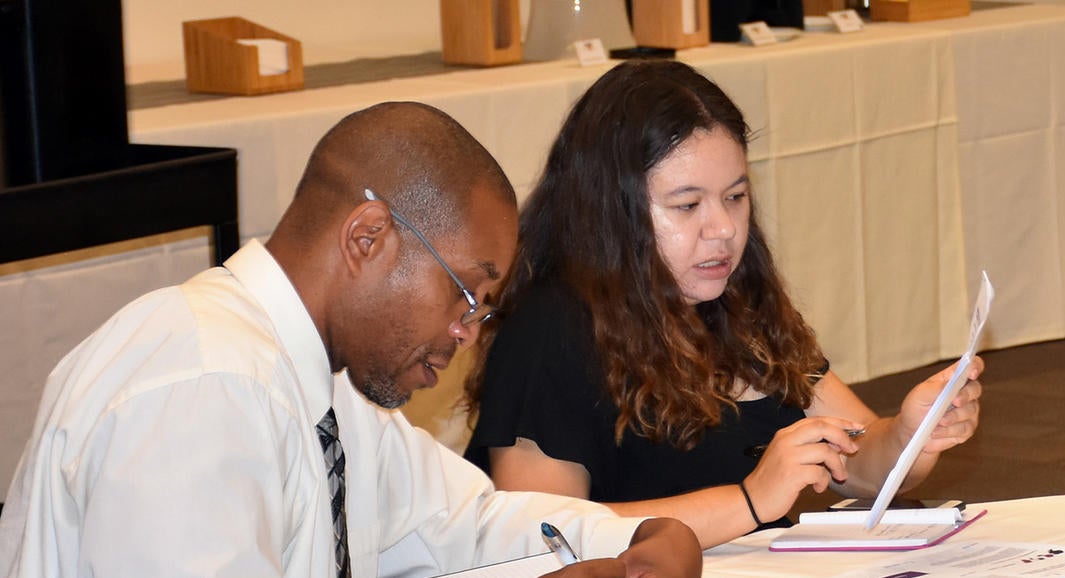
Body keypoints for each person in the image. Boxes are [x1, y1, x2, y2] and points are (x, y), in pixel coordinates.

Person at [0, 102, 702, 577]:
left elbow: (463, 521)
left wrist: (639, 542)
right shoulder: (203, 383)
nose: (464, 333)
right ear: (368, 238)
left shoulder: (329, 381)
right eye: (467, 293)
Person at [461, 59, 983, 548]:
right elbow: (544, 535)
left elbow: (862, 467)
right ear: (610, 213)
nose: (725, 229)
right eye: (687, 205)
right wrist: (750, 501)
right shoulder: (548, 332)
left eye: (735, 196)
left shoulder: (737, 300)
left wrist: (911, 436)